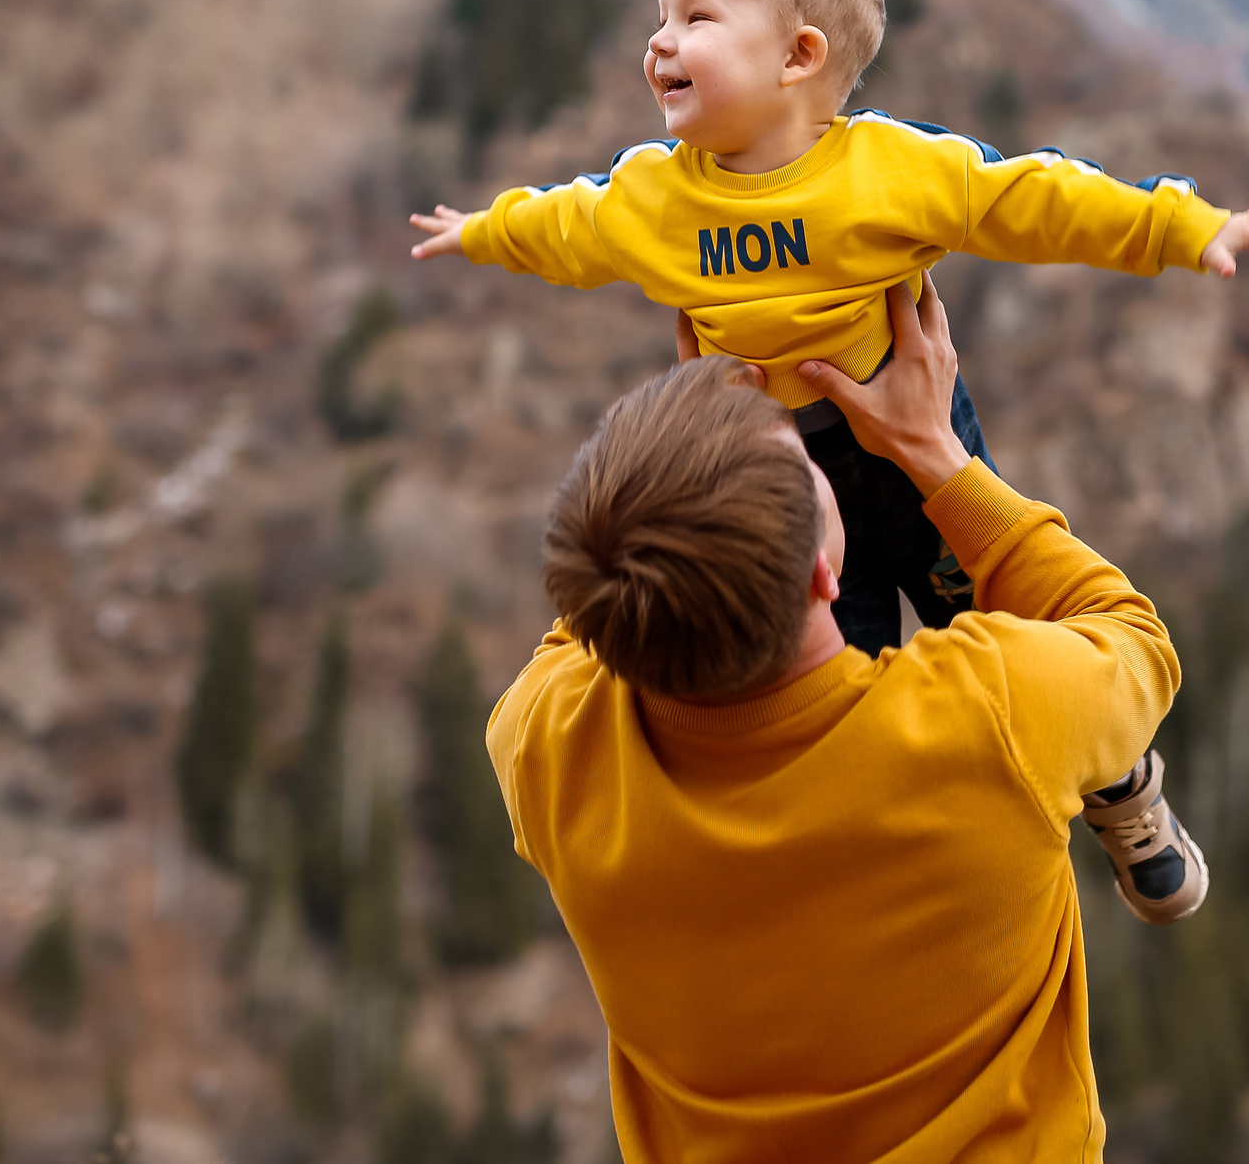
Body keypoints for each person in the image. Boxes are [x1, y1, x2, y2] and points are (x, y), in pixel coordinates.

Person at [421, 0, 1249, 920]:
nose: (656, 42)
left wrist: (1184, 227)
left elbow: (1033, 201)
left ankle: (1123, 792)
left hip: (908, 451)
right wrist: (482, 230)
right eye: (659, 20)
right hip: (774, 486)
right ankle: (877, 883)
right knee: (825, 684)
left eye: (694, 17)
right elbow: (561, 224)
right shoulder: (651, 197)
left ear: (800, 56)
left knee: (1011, 619)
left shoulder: (889, 169)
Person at [488, 276, 1181, 1161]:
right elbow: (1129, 636)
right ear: (823, 575)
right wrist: (936, 453)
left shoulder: (550, 751)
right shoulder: (987, 719)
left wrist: (685, 451)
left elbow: (597, 596)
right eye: (812, 469)